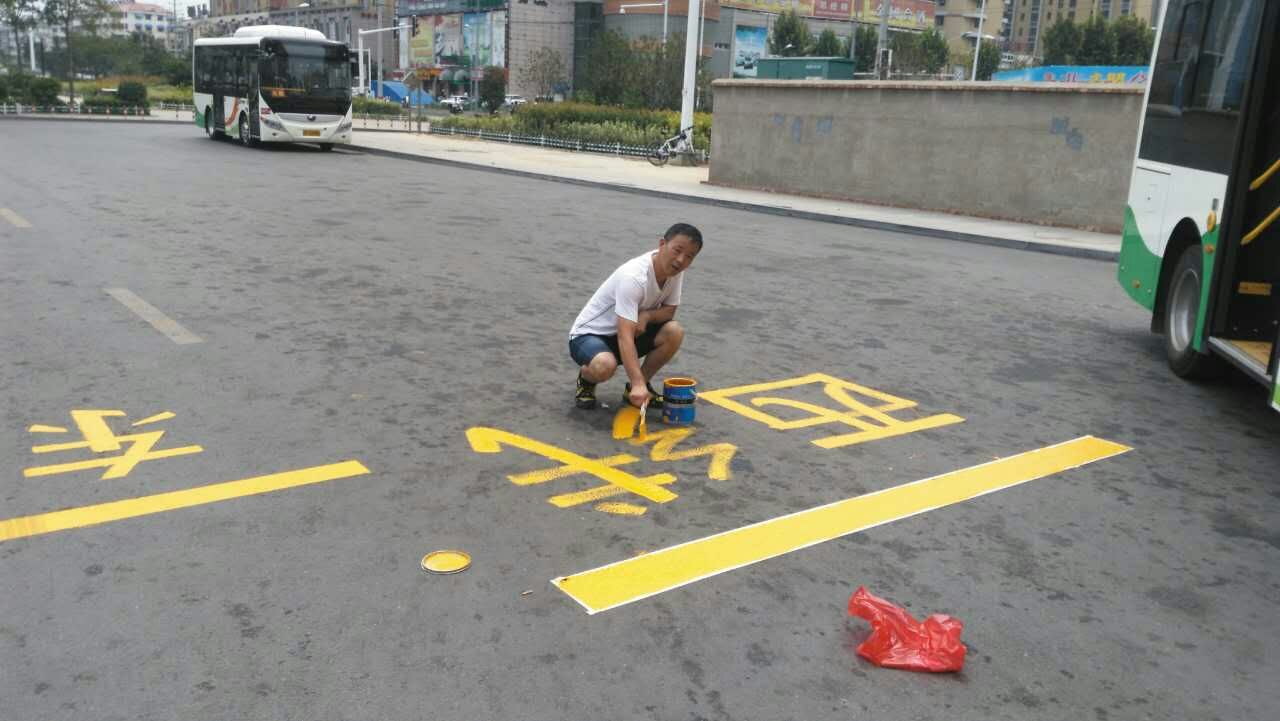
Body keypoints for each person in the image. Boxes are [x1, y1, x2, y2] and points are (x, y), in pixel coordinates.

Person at [569, 223, 703, 410]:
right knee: (604, 365)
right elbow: (624, 336)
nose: (681, 260)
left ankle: (636, 389)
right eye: (677, 250)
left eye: (689, 256)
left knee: (674, 332)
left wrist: (646, 316)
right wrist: (637, 381)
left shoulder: (674, 271)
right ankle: (587, 379)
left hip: (629, 333)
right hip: (590, 335)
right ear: (662, 244)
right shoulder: (634, 277)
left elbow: (669, 311)